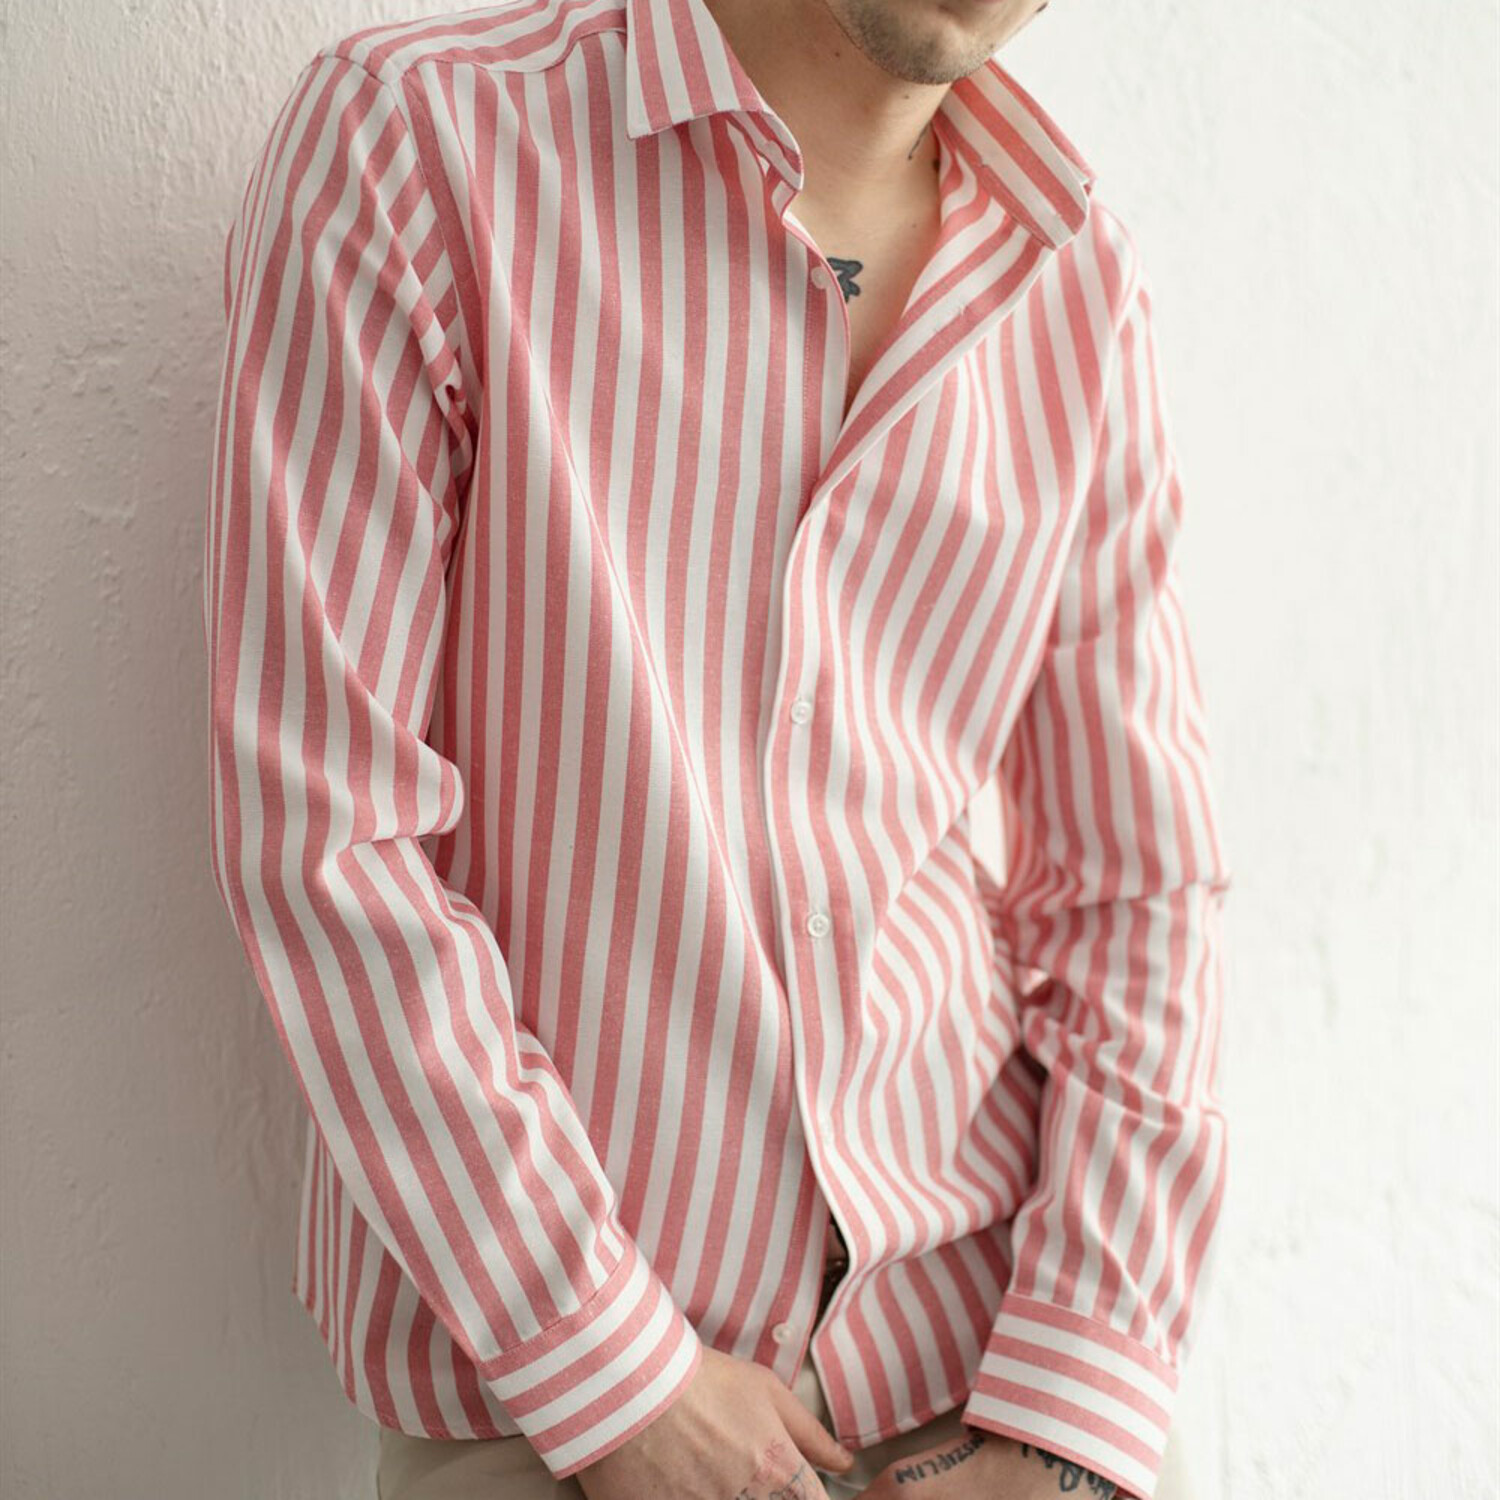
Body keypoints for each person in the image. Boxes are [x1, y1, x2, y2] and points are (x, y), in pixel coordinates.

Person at [202, 0, 1233, 1495]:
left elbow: (1139, 885)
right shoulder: (417, 143)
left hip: (990, 1373)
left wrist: (1075, 1411)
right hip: (568, 1410)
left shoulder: (1076, 281)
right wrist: (614, 1371)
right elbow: (324, 834)